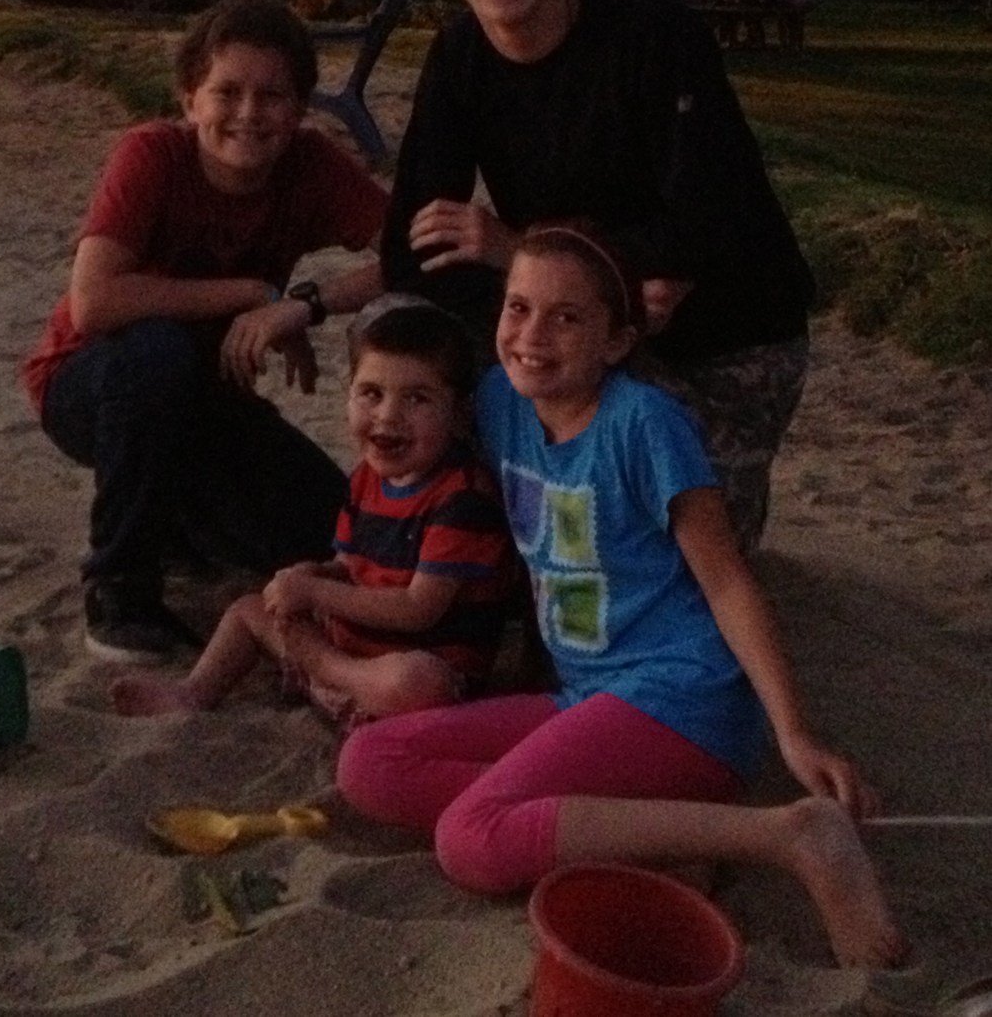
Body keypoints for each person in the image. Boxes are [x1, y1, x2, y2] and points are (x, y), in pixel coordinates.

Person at [338, 225, 906, 971]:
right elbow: (407, 417)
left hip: (683, 700)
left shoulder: (645, 423)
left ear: (617, 340)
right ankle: (653, 838)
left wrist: (794, 732)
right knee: (371, 762)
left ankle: (789, 834)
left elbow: (729, 583)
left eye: (567, 317)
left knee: (470, 840)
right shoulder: (499, 403)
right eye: (517, 308)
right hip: (587, 697)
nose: (532, 335)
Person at [380, 0, 814, 553]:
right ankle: (460, 541)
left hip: (720, 336)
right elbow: (411, 250)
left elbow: (712, 225)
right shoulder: (459, 56)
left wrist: (521, 254)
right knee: (401, 329)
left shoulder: (655, 37)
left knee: (690, 570)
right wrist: (562, 304)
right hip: (584, 323)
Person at [23, 0, 388, 662]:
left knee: (336, 533)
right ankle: (119, 590)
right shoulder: (152, 157)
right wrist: (253, 291)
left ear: (302, 106)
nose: (249, 113)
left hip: (211, 396)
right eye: (227, 92)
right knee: (158, 355)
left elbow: (409, 258)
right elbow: (93, 305)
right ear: (190, 99)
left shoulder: (310, 166)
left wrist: (304, 304)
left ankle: (181, 525)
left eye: (273, 95)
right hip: (91, 384)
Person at [110, 300, 515, 721]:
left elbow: (418, 609)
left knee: (416, 682)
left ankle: (325, 676)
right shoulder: (366, 479)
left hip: (424, 665)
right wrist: (312, 575)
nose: (388, 416)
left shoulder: (464, 498)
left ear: (459, 412)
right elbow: (348, 566)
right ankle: (194, 692)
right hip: (355, 649)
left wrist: (317, 595)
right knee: (250, 610)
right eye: (371, 394)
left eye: (417, 399)